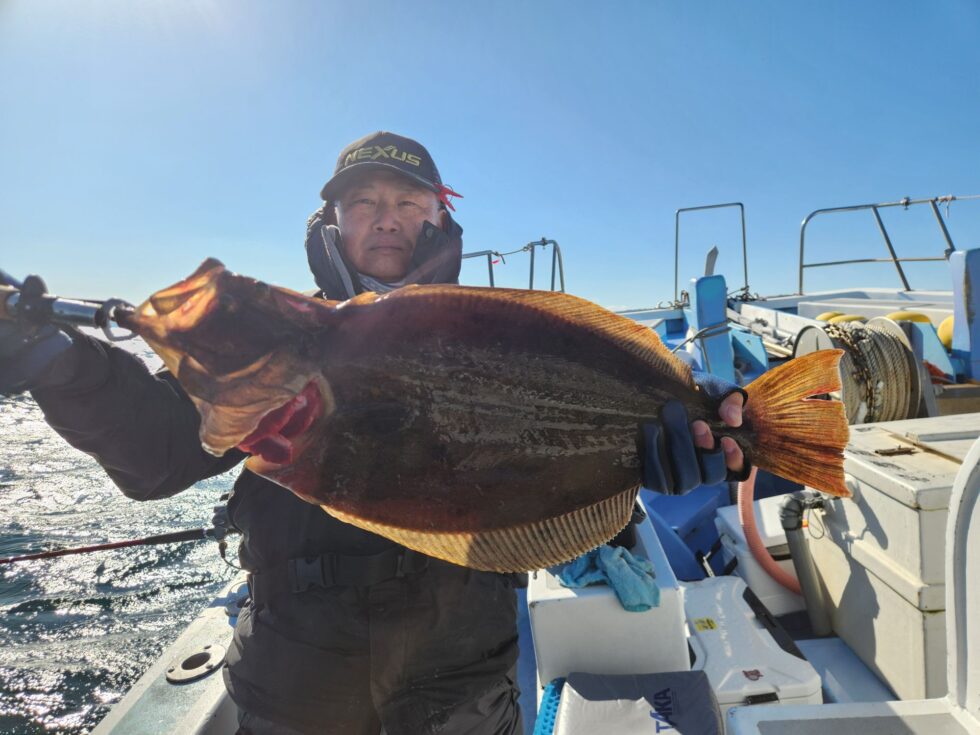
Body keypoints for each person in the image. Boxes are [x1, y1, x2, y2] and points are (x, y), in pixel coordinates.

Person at [0, 131, 746, 735]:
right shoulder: (282, 342)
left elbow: (564, 459)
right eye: (363, 202)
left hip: (458, 681)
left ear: (437, 218)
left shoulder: (495, 332)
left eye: (406, 200)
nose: (386, 217)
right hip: (296, 683)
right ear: (333, 223)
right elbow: (157, 449)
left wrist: (674, 428)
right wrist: (60, 363)